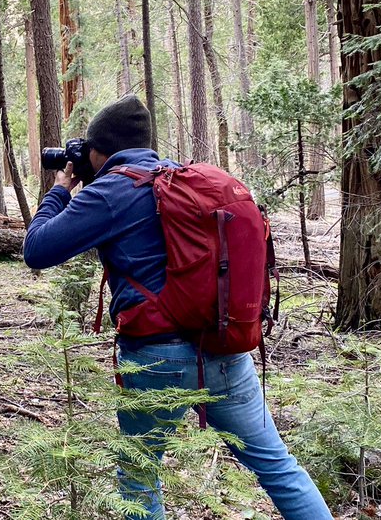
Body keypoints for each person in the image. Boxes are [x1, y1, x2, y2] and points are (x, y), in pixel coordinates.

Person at [23, 95, 332, 520]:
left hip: (154, 357)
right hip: (225, 347)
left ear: (98, 151)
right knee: (277, 466)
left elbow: (37, 249)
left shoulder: (112, 191)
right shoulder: (179, 177)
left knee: (139, 473)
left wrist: (60, 189)